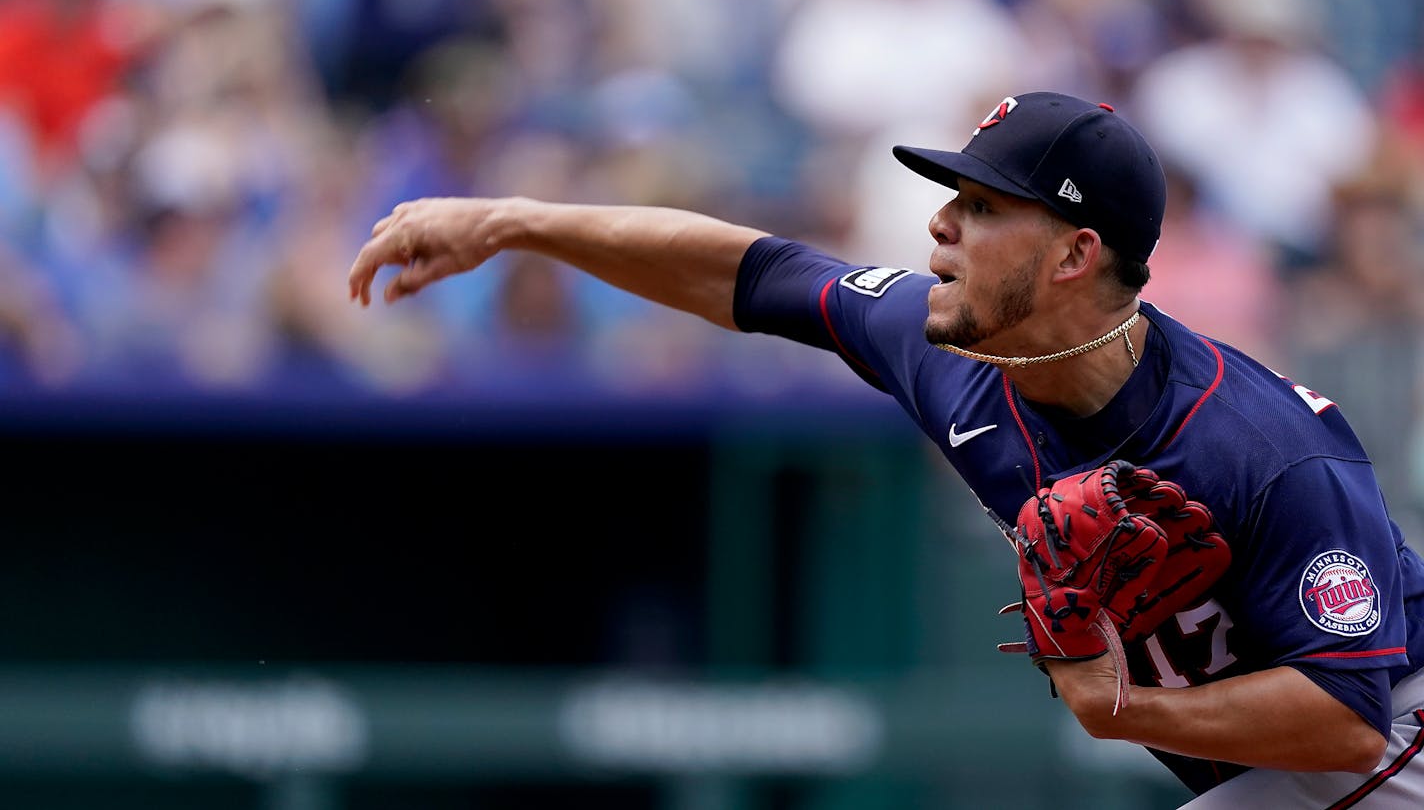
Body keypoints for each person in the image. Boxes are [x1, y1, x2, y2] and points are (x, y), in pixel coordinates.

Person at [347, 91, 1424, 808]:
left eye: (980, 205)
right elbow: (751, 272)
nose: (938, 228)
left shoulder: (1261, 446)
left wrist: (1119, 706)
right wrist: (516, 219)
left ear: (1072, 253)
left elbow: (1343, 715)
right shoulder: (944, 352)